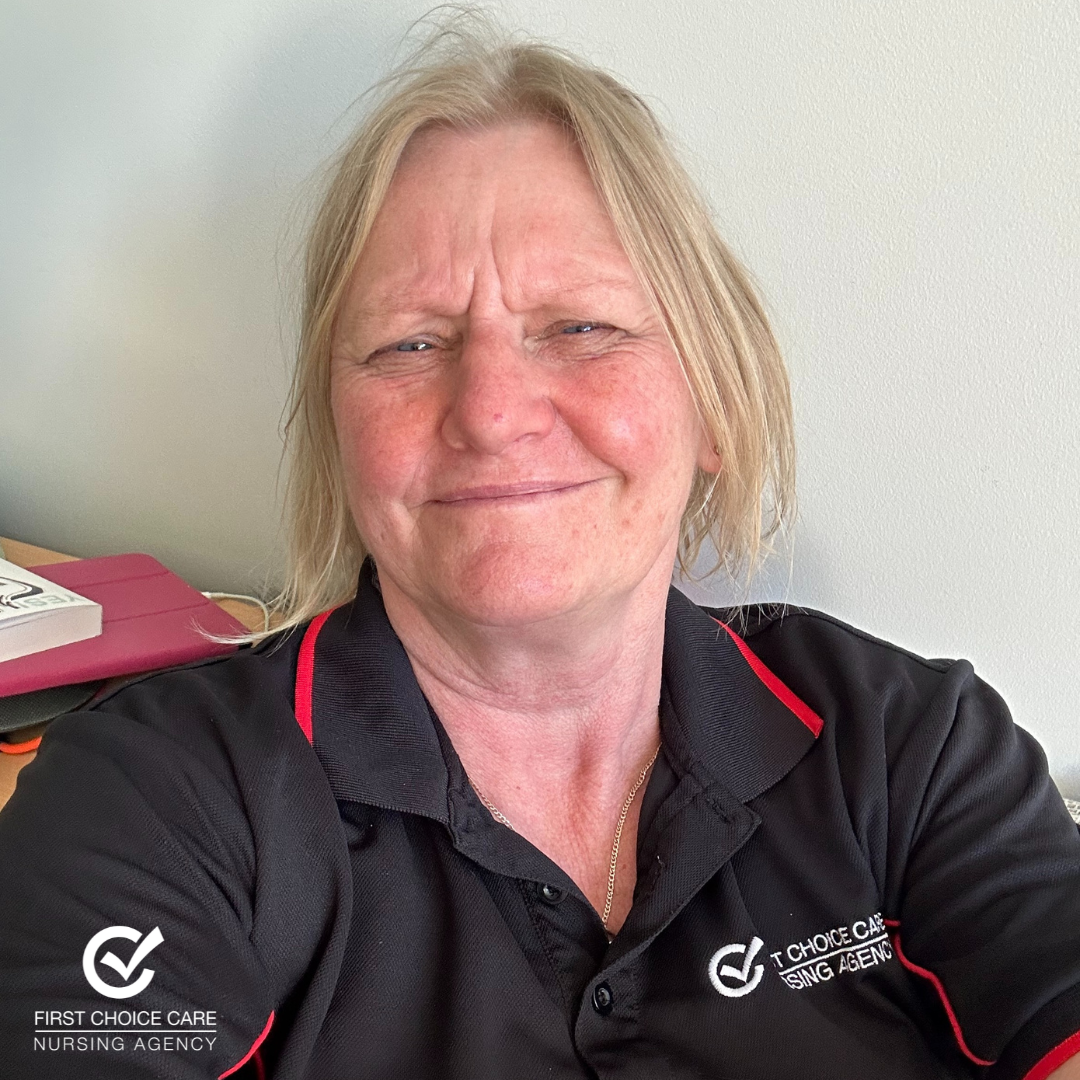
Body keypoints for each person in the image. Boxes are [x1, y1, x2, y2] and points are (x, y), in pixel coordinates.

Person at [1, 18, 1078, 1080]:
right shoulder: (153, 797)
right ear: (338, 432)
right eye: (410, 343)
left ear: (712, 402)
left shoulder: (912, 750)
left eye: (580, 327)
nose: (493, 411)